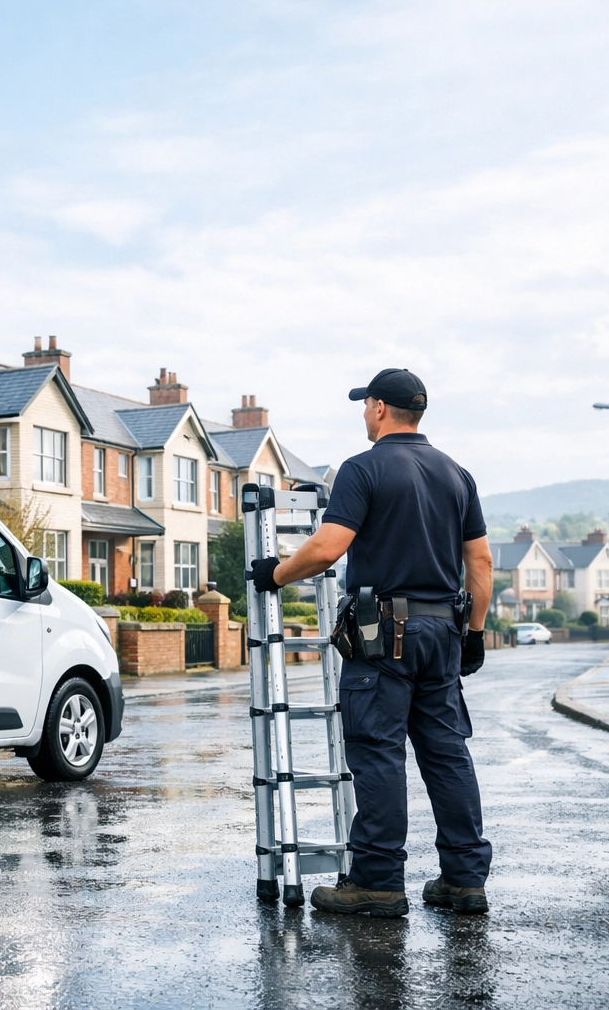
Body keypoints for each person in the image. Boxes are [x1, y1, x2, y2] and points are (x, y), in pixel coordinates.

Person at [249, 368, 494, 918]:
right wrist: (474, 634)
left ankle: (378, 882)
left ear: (381, 408)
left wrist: (275, 575)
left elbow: (327, 548)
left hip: (382, 635)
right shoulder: (458, 475)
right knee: (447, 754)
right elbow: (479, 561)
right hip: (444, 631)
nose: (364, 413)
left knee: (379, 754)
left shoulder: (364, 470)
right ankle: (464, 879)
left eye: (366, 405)